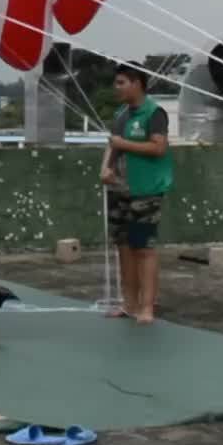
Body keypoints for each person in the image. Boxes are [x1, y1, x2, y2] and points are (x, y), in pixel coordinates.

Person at [98, 65, 171, 323]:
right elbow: (113, 145)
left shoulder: (155, 113)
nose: (116, 88)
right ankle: (128, 304)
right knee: (124, 247)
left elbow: (158, 147)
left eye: (121, 83)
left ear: (136, 83)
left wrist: (123, 145)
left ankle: (147, 306)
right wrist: (105, 168)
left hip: (145, 191)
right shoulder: (121, 114)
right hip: (120, 189)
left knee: (144, 248)